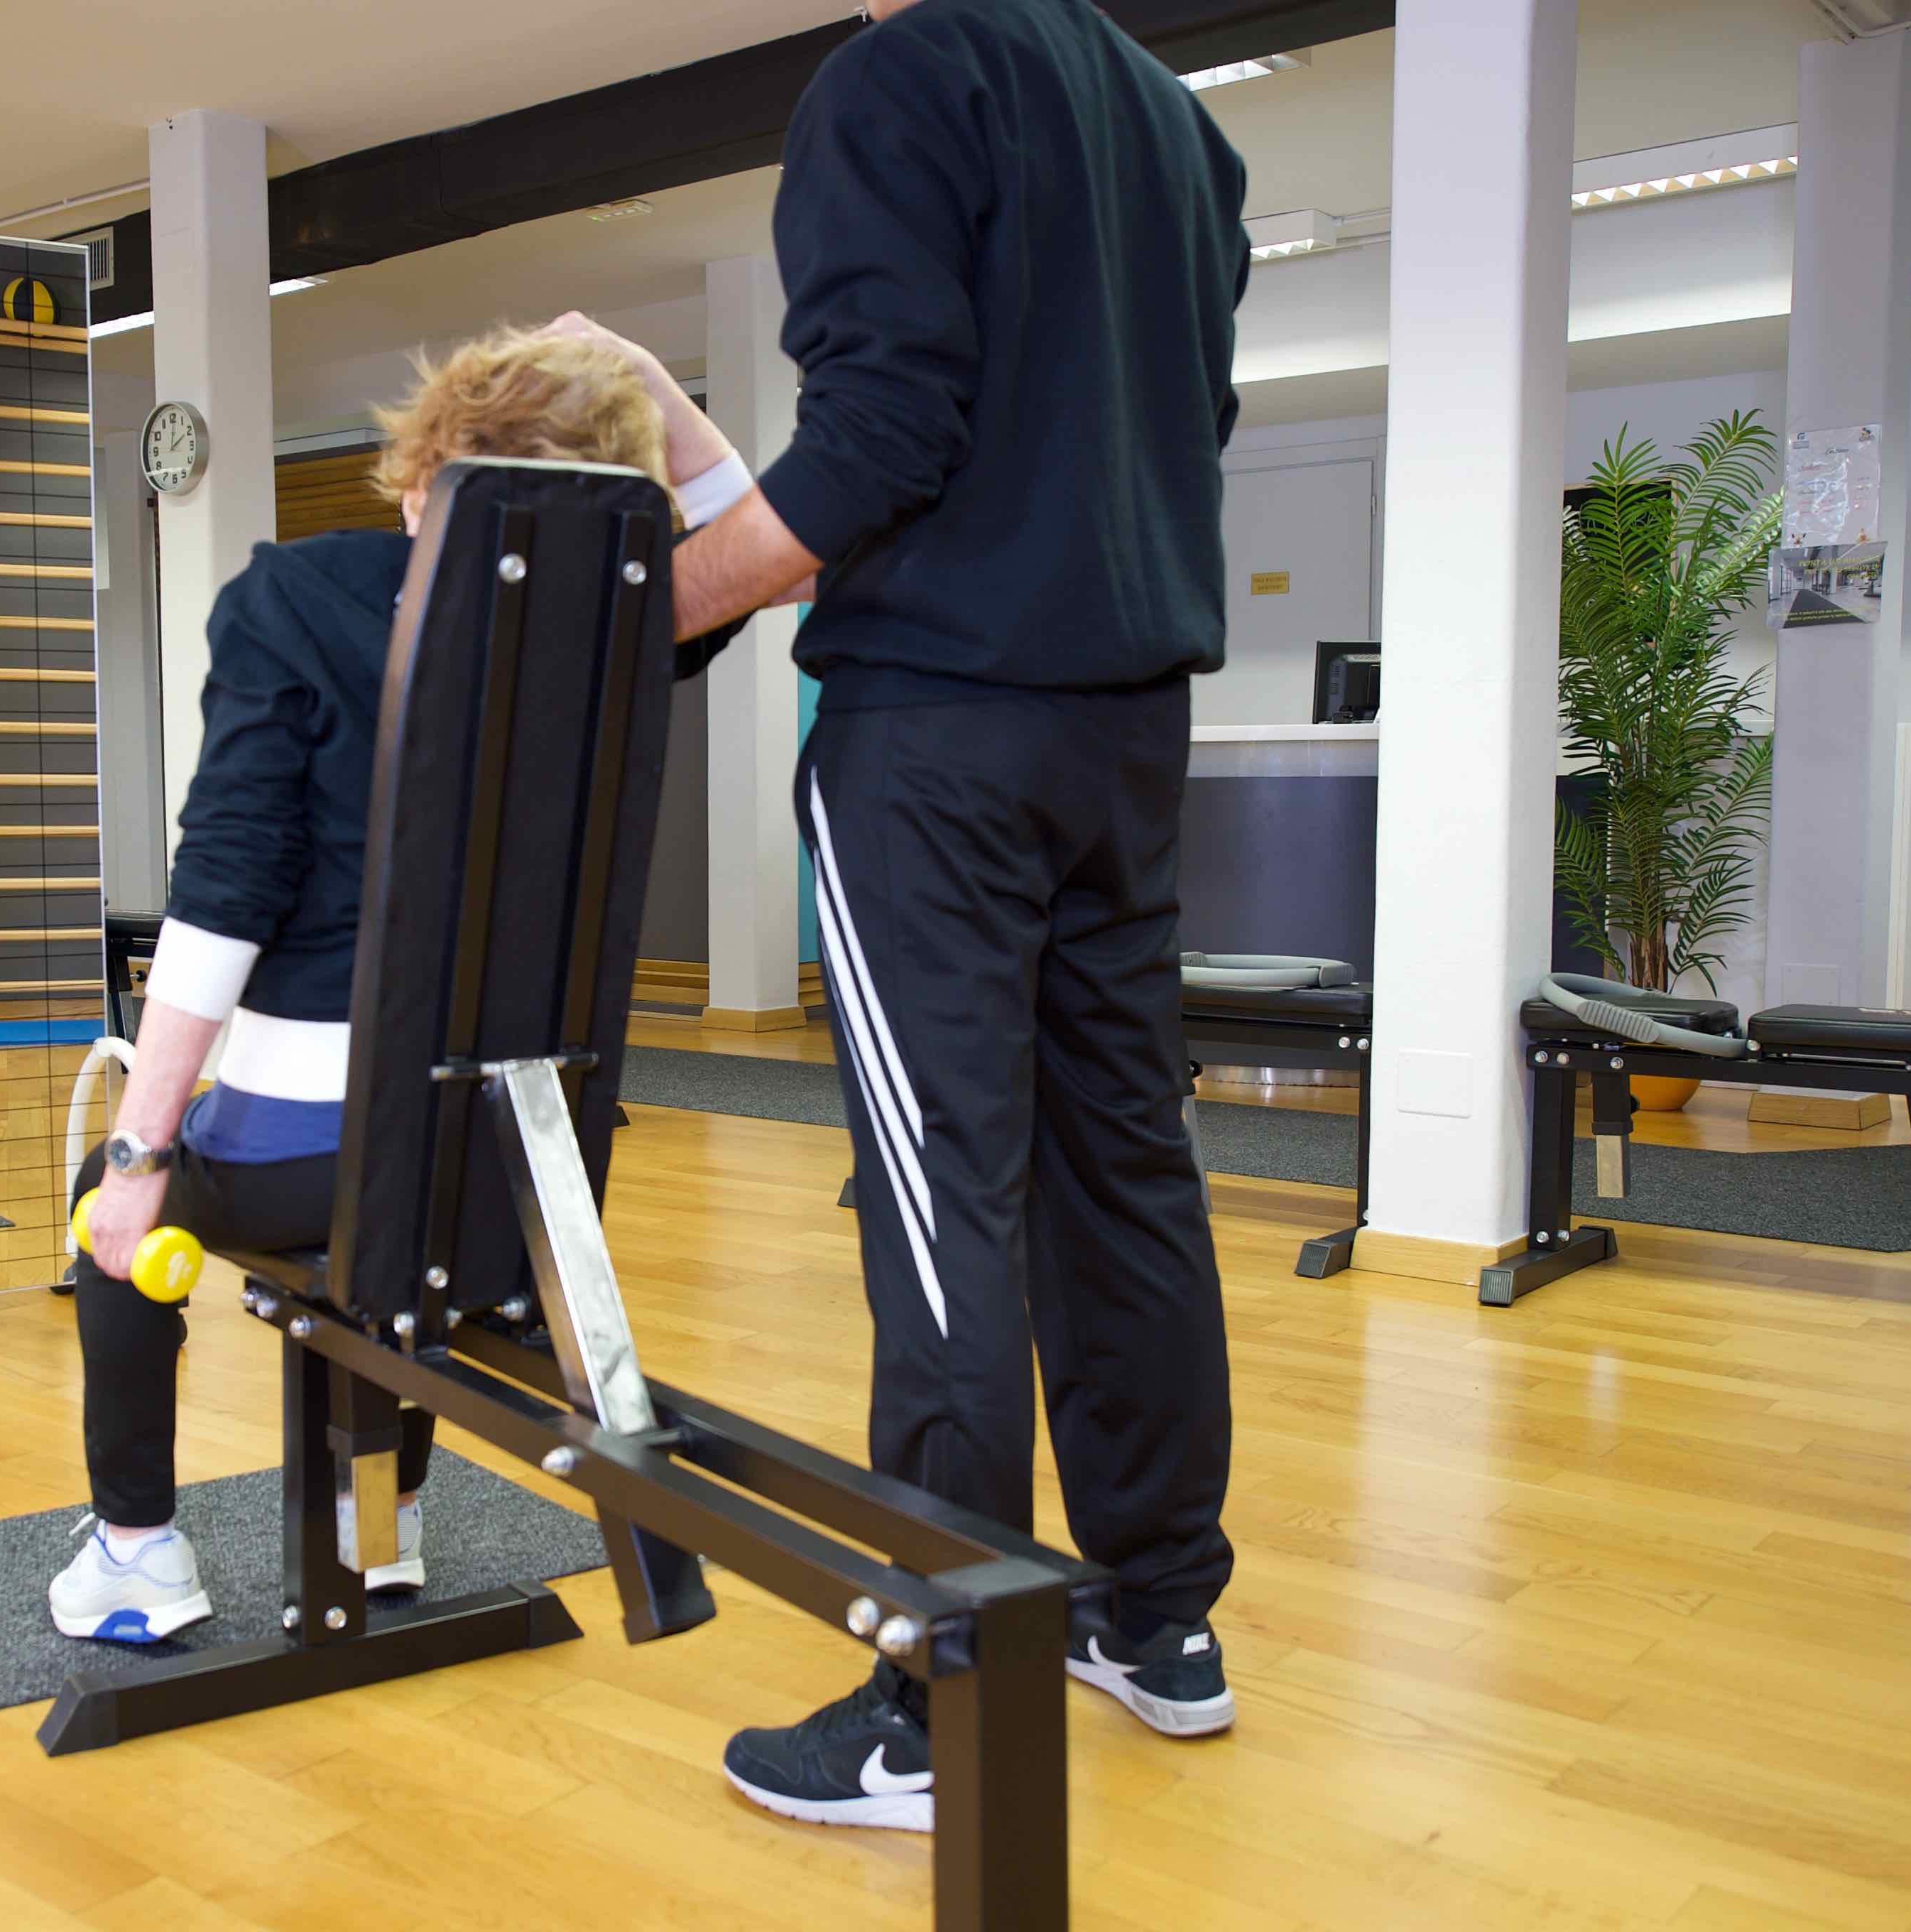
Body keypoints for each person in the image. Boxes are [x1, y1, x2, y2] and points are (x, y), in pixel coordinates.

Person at [634, 0, 1255, 1833]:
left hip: (944, 750)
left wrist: (657, 606)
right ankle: (1162, 1622)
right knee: (1123, 1171)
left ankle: (937, 1702)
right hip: (1127, 735)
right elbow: (1175, 422)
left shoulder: (892, 82)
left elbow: (888, 438)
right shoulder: (1172, 123)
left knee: (943, 1202)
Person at [49, 324, 756, 1644]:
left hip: (305, 1149)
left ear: (421, 476)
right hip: (520, 1169)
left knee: (114, 1197)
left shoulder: (299, 595)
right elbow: (765, 541)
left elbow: (228, 882)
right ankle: (383, 1533)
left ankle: (138, 1556)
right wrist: (644, 379)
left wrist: (142, 1145)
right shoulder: (622, 616)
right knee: (405, 1238)